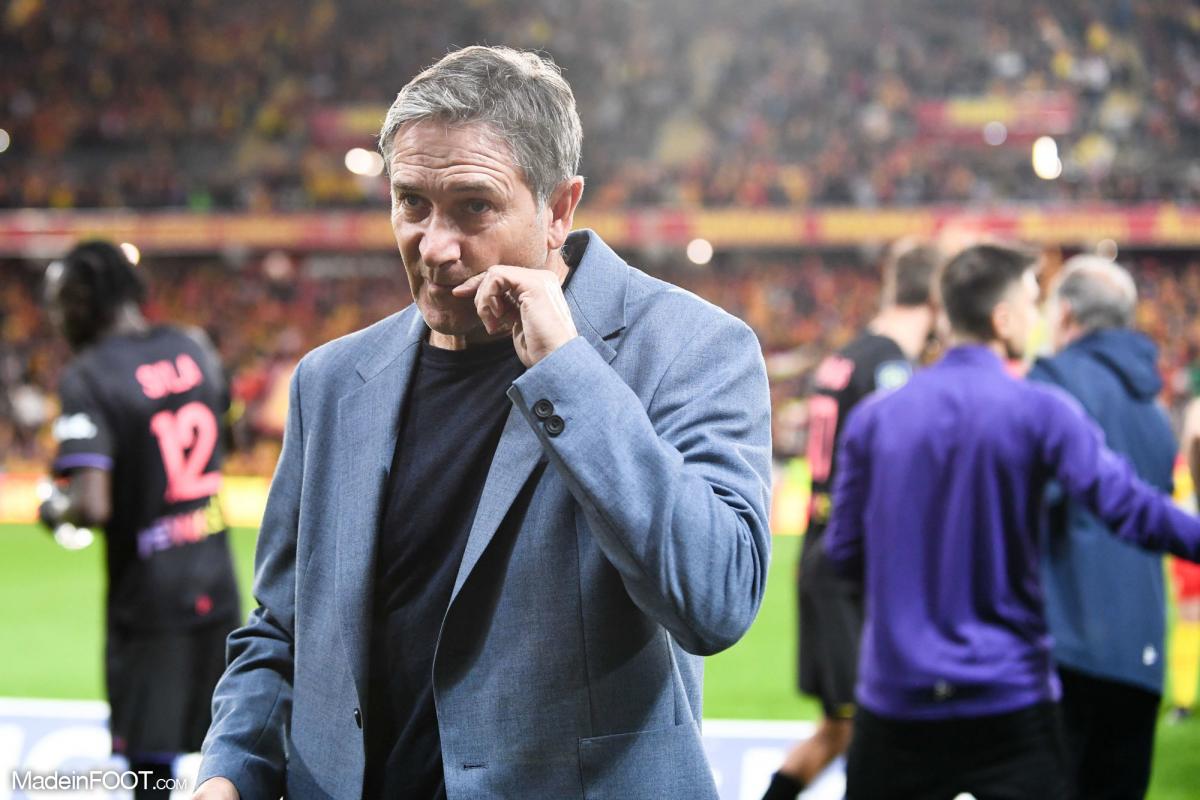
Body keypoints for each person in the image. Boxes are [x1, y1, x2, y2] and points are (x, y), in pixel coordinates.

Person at [194, 45, 772, 800]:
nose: (434, 247)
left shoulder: (690, 346)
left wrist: (568, 373)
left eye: (474, 206)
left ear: (558, 209)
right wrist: (228, 774)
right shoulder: (331, 382)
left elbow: (717, 600)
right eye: (411, 203)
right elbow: (280, 630)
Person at [823, 243, 1200, 800]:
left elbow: (843, 552)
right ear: (1002, 319)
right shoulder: (1041, 411)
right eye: (1030, 300)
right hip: (1008, 699)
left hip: (898, 697)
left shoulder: (874, 419)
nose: (1036, 316)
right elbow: (1130, 508)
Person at [39, 241, 241, 800]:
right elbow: (229, 438)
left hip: (149, 606)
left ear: (83, 301)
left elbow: (91, 504)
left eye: (58, 304)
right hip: (217, 586)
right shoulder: (194, 345)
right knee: (231, 748)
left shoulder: (89, 375)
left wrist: (52, 508)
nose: (56, 320)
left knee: (150, 767)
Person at [763, 241, 941, 800]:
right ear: (937, 298)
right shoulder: (889, 368)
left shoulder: (846, 356)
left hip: (822, 552)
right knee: (876, 734)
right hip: (851, 570)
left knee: (839, 731)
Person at [1025, 255, 1174, 800]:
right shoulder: (1154, 408)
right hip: (1140, 651)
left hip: (1065, 644)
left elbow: (1025, 503)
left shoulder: (1051, 387)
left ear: (1065, 313)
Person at [1170, 397, 1200, 722]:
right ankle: (1183, 699)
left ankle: (1183, 701)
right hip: (1190, 558)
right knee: (1190, 621)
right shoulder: (1180, 470)